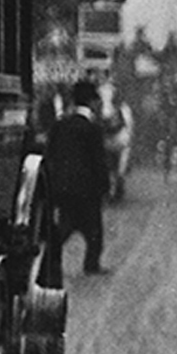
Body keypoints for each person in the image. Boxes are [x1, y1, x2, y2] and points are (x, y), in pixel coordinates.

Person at [45, 80, 112, 282]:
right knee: (94, 230)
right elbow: (98, 161)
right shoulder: (93, 128)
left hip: (63, 188)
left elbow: (50, 155)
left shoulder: (60, 125)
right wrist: (104, 186)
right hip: (87, 190)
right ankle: (91, 264)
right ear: (92, 102)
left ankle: (50, 265)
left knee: (64, 227)